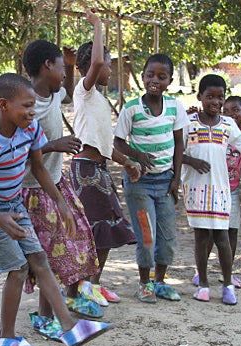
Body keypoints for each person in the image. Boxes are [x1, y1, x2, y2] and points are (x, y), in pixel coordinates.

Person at [0, 73, 112, 346]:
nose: (31, 112)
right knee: (17, 269)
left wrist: (61, 203)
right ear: (3, 105)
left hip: (14, 204)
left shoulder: (30, 131)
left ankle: (69, 326)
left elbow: (39, 168)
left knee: (39, 260)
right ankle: (6, 337)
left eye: (33, 107)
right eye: (26, 106)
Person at [20, 38, 105, 319]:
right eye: (60, 68)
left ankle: (69, 300)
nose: (65, 75)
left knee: (77, 239)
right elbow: (18, 150)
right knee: (48, 254)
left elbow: (68, 91)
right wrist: (54, 145)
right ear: (46, 66)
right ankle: (45, 317)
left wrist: (67, 63)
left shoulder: (54, 95)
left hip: (57, 184)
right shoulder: (27, 103)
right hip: (34, 192)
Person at [68, 9, 139, 304]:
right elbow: (96, 61)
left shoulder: (98, 99)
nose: (110, 70)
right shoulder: (83, 91)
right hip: (85, 169)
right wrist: (97, 25)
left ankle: (92, 284)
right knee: (96, 231)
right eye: (109, 65)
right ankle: (83, 286)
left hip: (99, 170)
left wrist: (127, 162)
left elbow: (105, 143)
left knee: (107, 230)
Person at [114, 53, 187, 304]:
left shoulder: (175, 107)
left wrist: (176, 179)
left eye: (162, 76)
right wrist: (138, 156)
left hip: (165, 181)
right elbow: (117, 141)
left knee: (167, 237)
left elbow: (179, 144)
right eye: (150, 75)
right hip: (139, 184)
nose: (155, 80)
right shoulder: (131, 108)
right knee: (147, 236)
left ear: (170, 80)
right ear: (143, 77)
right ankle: (145, 283)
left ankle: (160, 281)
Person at [181, 74, 241, 305]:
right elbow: (175, 151)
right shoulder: (189, 122)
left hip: (221, 190)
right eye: (210, 97)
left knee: (222, 237)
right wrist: (191, 161)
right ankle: (203, 284)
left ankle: (227, 285)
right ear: (200, 97)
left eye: (220, 97)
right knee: (201, 237)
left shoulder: (227, 125)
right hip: (195, 189)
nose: (215, 102)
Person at [191, 96, 241, 289]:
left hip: (229, 191)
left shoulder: (239, 133)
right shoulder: (200, 124)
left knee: (227, 234)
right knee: (205, 234)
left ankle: (227, 276)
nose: (229, 114)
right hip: (206, 189)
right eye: (227, 110)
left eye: (235, 110)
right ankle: (201, 275)